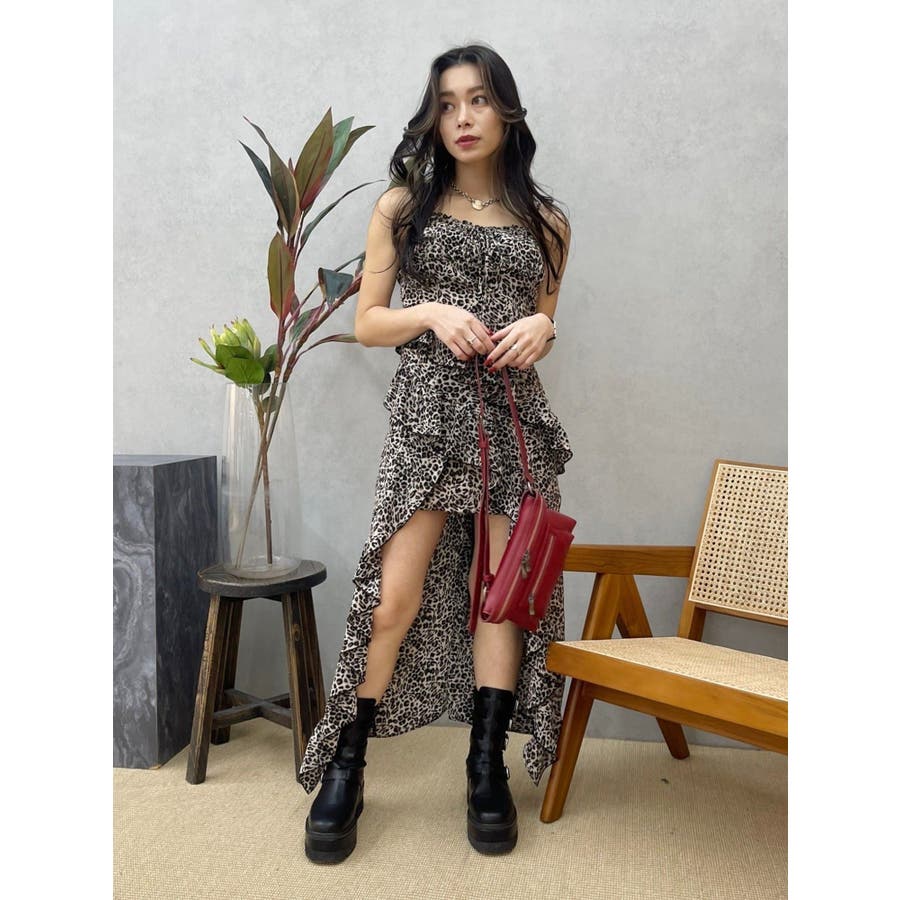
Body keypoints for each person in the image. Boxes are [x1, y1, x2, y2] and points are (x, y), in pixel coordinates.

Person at [300, 42, 574, 864]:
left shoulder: (548, 222)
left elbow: (546, 317)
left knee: (501, 600)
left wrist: (545, 327)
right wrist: (430, 313)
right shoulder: (402, 206)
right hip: (428, 419)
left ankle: (485, 769)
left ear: (507, 112)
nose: (463, 117)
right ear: (433, 116)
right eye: (448, 103)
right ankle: (348, 767)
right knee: (394, 598)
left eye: (479, 99)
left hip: (512, 422)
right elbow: (366, 322)